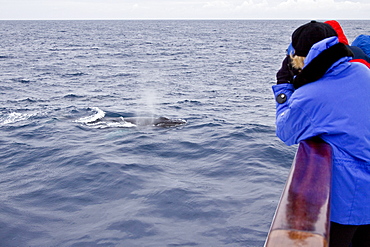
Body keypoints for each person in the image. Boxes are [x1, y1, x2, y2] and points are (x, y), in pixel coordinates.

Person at [273, 21, 370, 247]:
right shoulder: (362, 70)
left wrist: (284, 89)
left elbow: (286, 132)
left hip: (349, 202)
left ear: (302, 57)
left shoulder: (312, 95)